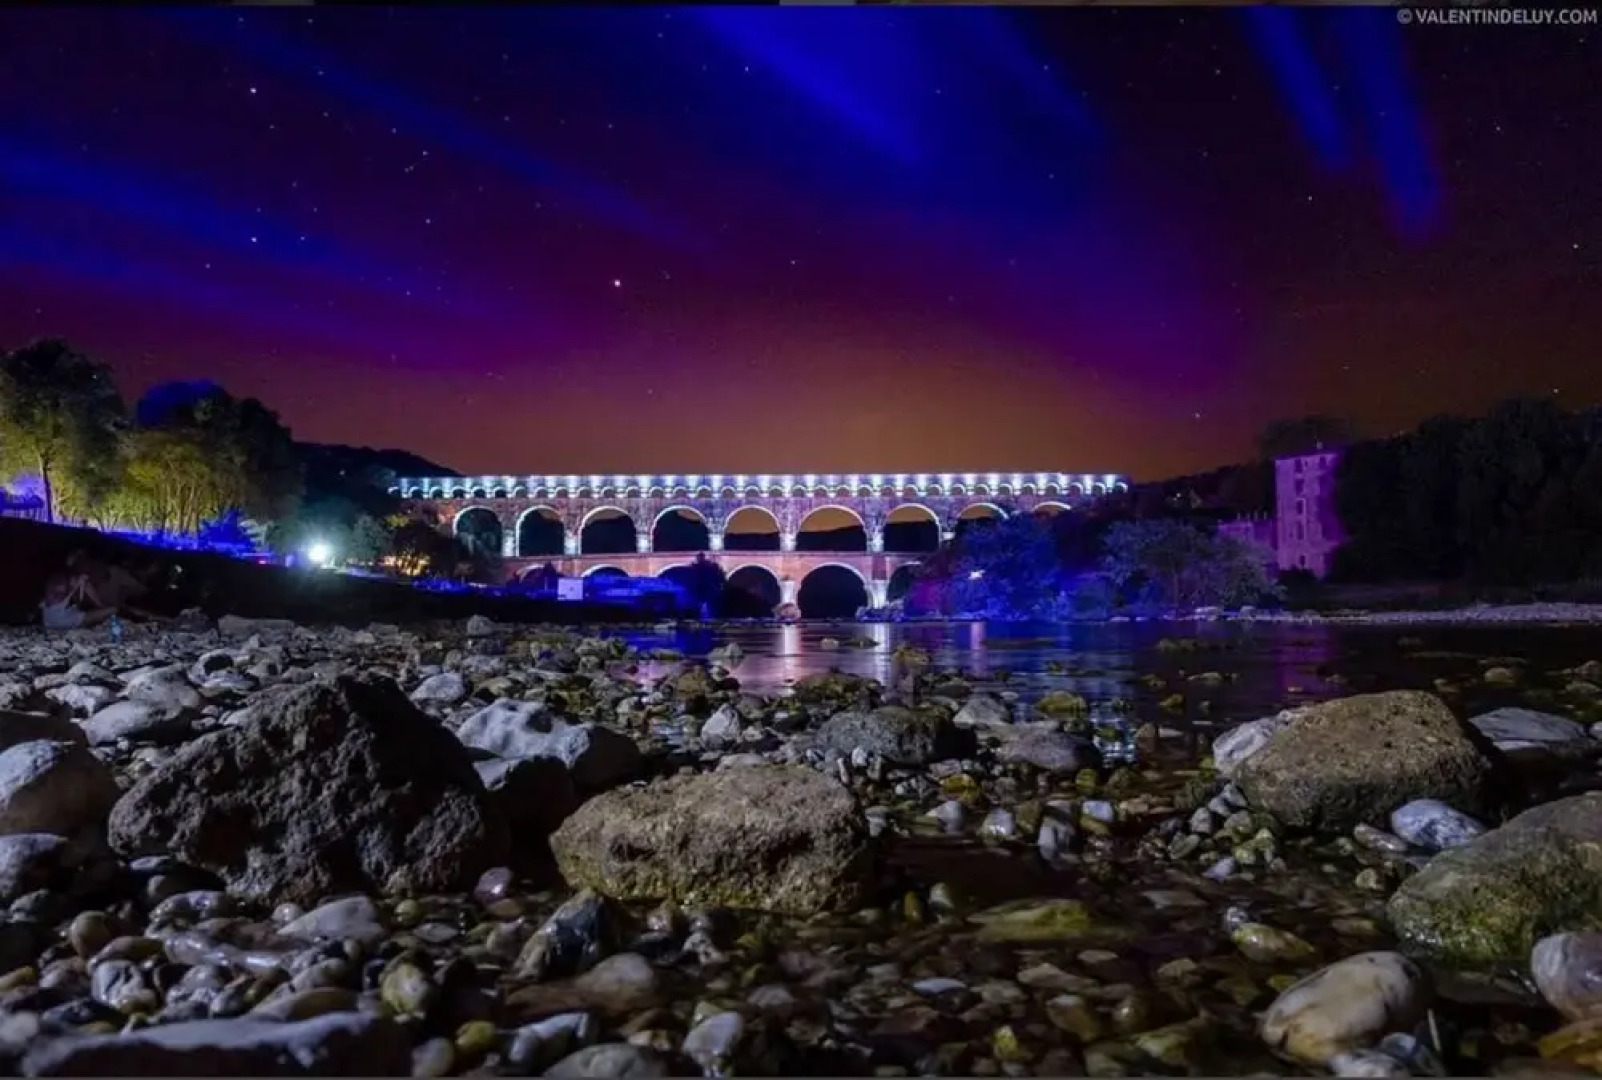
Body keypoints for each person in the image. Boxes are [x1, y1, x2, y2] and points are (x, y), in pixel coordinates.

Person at [40, 571, 117, 631]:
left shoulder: (58, 591)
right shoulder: (59, 590)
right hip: (65, 621)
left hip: (53, 621)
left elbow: (78, 601)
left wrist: (80, 585)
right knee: (113, 609)